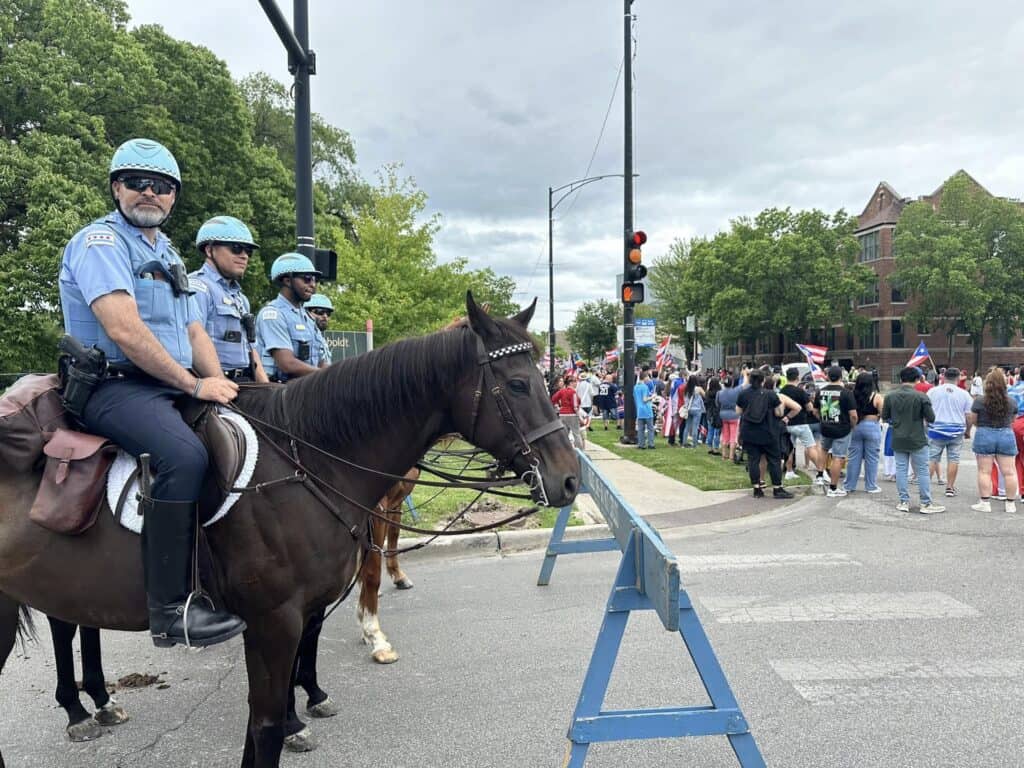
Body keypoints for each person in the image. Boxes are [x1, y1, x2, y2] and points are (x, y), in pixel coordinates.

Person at [58, 138, 245, 648]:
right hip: (113, 386)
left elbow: (194, 332)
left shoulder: (167, 253)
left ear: (173, 197)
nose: (149, 192)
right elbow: (124, 330)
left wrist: (224, 389)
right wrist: (193, 384)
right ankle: (170, 610)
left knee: (246, 434)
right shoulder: (101, 243)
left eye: (161, 186)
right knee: (184, 456)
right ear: (116, 187)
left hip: (166, 386)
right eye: (137, 182)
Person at [188, 216, 269, 383]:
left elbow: (252, 350)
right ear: (209, 250)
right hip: (213, 384)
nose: (244, 256)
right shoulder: (197, 288)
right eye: (236, 248)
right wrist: (222, 386)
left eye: (248, 251)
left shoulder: (241, 299)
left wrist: (268, 389)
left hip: (244, 382)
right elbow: (193, 338)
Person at [882, 366, 945, 514]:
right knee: (922, 471)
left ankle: (903, 501)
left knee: (901, 470)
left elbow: (885, 417)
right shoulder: (922, 397)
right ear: (917, 379)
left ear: (901, 379)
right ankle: (925, 503)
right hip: (917, 437)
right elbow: (931, 418)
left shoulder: (890, 396)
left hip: (898, 437)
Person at [256, 252, 325, 381]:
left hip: (307, 387)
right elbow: (287, 364)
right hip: (278, 389)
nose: (313, 285)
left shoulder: (308, 318)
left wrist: (332, 375)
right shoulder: (273, 315)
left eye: (315, 280)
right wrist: (325, 375)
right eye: (307, 279)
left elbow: (321, 361)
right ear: (287, 280)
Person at [967, 368, 1019, 513]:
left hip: (985, 433)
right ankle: (1010, 504)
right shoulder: (1011, 401)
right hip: (1006, 434)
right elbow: (1013, 420)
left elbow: (973, 419)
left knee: (984, 471)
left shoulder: (979, 401)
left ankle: (985, 502)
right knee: (1009, 472)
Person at [736, 370, 794, 499]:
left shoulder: (743, 394)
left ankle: (757, 488)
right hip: (768, 431)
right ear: (763, 381)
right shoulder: (770, 394)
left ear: (750, 380)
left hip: (749, 431)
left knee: (753, 460)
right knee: (774, 460)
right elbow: (779, 413)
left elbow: (738, 411)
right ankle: (777, 488)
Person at [926, 367, 973, 497]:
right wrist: (968, 431)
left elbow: (925, 410)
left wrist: (927, 424)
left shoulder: (932, 391)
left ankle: (926, 487)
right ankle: (950, 487)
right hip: (956, 430)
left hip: (936, 429)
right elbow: (969, 416)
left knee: (932, 458)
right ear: (958, 378)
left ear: (943, 377)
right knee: (953, 459)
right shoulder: (964, 394)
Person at [813, 366, 858, 498]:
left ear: (827, 376)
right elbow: (853, 415)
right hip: (842, 429)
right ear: (841, 377)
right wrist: (852, 426)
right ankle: (833, 488)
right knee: (838, 457)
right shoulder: (846, 393)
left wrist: (823, 419)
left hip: (825, 427)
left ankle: (819, 475)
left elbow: (815, 411)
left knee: (823, 450)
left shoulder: (820, 391)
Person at [780, 367, 825, 484]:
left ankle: (789, 471)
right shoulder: (800, 391)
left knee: (790, 448)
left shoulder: (782, 391)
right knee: (811, 447)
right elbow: (810, 408)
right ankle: (821, 472)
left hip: (786, 423)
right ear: (797, 377)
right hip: (801, 423)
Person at [844, 372, 883, 493]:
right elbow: (883, 413)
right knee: (872, 458)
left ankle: (849, 485)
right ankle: (871, 486)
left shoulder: (851, 395)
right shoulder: (876, 397)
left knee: (853, 458)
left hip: (855, 427)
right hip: (872, 427)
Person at [551, 375, 583, 449]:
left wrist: (558, 407)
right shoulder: (573, 392)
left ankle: (562, 449)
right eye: (575, 382)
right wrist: (580, 417)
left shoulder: (562, 391)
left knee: (564, 434)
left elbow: (553, 399)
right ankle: (580, 451)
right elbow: (575, 406)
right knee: (576, 434)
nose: (576, 383)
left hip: (562, 414)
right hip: (572, 414)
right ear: (571, 383)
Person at [305, 293, 334, 366]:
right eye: (320, 311)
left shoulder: (320, 337)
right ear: (306, 312)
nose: (325, 316)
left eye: (328, 313)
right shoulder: (302, 337)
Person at [634, 371, 655, 449]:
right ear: (645, 377)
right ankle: (651, 444)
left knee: (640, 429)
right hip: (647, 410)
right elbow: (644, 399)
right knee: (650, 429)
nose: (649, 379)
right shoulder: (645, 387)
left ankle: (641, 444)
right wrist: (652, 397)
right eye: (648, 377)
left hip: (639, 410)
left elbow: (636, 399)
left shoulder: (635, 387)